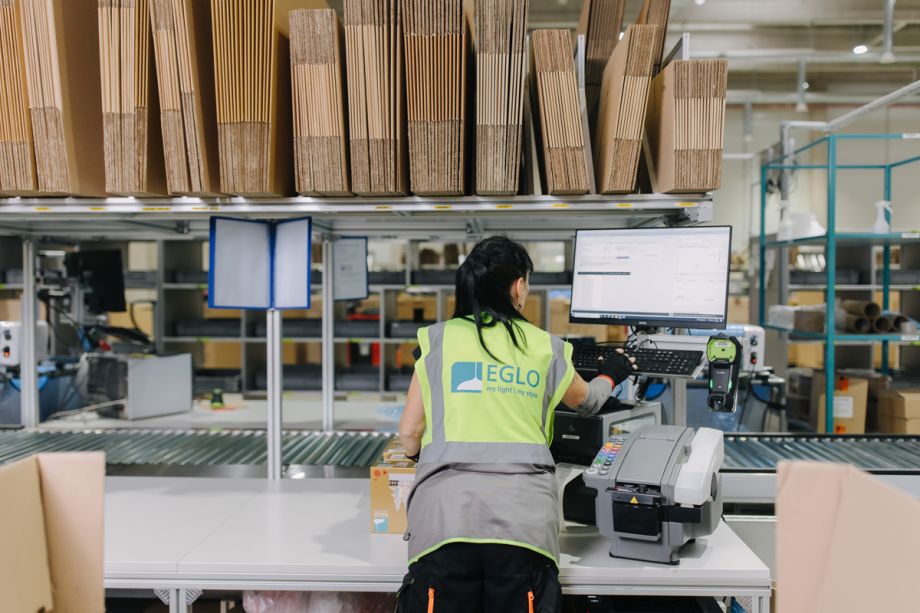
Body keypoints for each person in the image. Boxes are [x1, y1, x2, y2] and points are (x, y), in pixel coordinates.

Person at [397, 236, 636, 613]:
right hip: (523, 526)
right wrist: (612, 372)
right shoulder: (544, 346)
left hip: (443, 521)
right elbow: (588, 402)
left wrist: (417, 457)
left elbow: (410, 432)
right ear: (519, 286)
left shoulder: (437, 340)